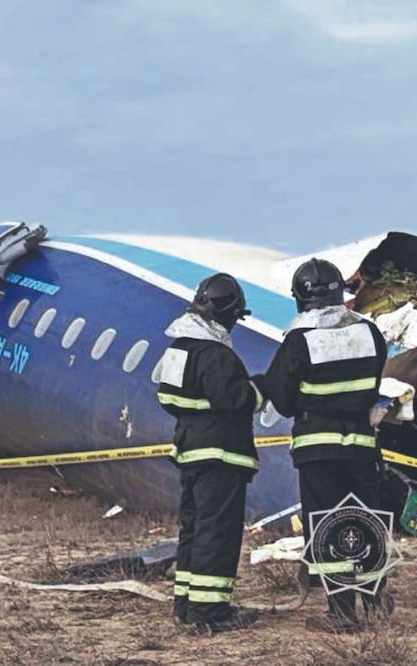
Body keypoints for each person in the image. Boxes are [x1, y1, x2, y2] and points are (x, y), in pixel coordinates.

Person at [254, 258, 391, 633]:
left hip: (318, 449)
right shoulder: (370, 333)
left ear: (300, 297)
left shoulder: (299, 339)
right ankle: (376, 599)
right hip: (361, 445)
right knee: (366, 520)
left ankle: (343, 613)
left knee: (329, 526)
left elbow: (281, 398)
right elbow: (375, 384)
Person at [156, 273, 262, 634]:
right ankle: (210, 610)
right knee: (218, 531)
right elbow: (236, 401)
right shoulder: (216, 355)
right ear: (230, 313)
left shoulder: (178, 349)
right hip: (220, 457)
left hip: (189, 453)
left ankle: (186, 603)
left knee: (195, 528)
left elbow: (167, 398)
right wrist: (260, 389)